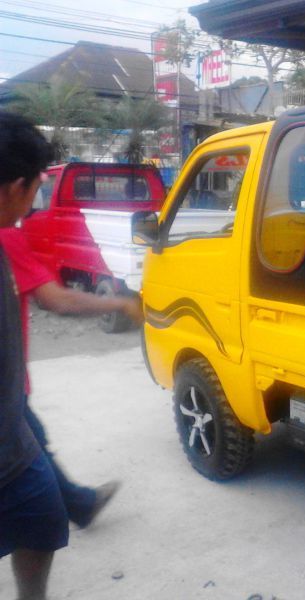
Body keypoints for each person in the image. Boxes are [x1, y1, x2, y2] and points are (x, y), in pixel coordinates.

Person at [0, 225, 143, 527]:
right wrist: (120, 303)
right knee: (31, 462)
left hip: (10, 389)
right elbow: (57, 300)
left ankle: (80, 505)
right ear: (15, 188)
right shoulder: (6, 237)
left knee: (34, 446)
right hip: (6, 388)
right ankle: (78, 506)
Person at [0, 110, 62, 600]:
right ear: (15, 185)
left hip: (13, 437)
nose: (37, 198)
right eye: (38, 186)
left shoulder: (5, 236)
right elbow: (55, 298)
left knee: (45, 516)